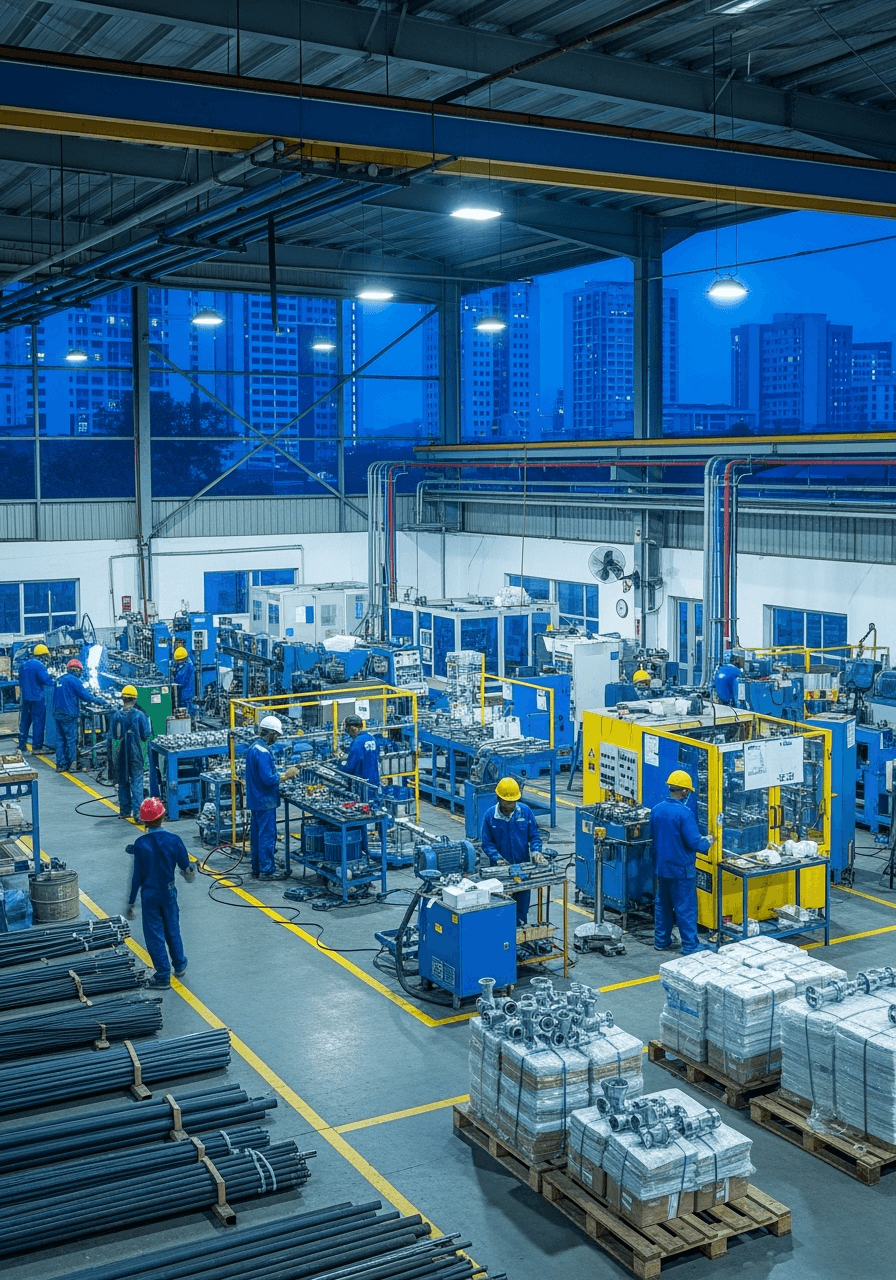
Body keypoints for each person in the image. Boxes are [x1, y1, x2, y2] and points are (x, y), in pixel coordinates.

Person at [125, 796, 194, 989]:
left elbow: (136, 876)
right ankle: (179, 965)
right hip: (168, 891)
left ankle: (163, 975)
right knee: (173, 928)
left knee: (154, 933)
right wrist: (190, 872)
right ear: (162, 817)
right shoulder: (174, 840)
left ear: (144, 821)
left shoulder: (140, 844)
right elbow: (185, 867)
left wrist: (131, 901)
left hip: (149, 895)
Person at [651, 769, 713, 956]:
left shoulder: (657, 810)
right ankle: (690, 946)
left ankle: (661, 941)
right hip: (681, 869)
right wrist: (709, 841)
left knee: (663, 904)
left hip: (662, 867)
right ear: (684, 791)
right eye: (688, 792)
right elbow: (694, 842)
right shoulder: (684, 814)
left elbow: (653, 837)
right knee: (685, 907)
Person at [481, 777, 546, 926]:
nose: (510, 804)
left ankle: (520, 937)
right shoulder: (490, 817)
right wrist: (496, 857)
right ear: (498, 797)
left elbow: (534, 835)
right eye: (506, 801)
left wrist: (536, 852)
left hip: (523, 870)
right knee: (500, 908)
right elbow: (487, 843)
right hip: (500, 873)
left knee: (521, 909)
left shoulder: (525, 812)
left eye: (513, 801)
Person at [245, 714, 298, 880]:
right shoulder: (263, 753)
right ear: (270, 733)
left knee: (256, 836)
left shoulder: (253, 748)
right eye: (276, 735)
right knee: (267, 836)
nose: (276, 739)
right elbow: (268, 779)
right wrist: (286, 776)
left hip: (255, 799)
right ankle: (267, 870)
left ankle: (256, 868)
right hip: (265, 801)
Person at [52, 659, 105, 774]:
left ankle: (60, 765)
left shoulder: (59, 679)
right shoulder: (74, 680)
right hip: (68, 714)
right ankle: (72, 764)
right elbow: (85, 695)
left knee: (60, 739)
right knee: (71, 739)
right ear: (76, 670)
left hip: (57, 713)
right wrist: (100, 701)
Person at [110, 685, 152, 820]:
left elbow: (112, 736)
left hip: (120, 753)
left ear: (122, 699)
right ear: (135, 699)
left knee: (122, 781)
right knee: (137, 782)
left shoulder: (116, 715)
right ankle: (139, 816)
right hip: (135, 753)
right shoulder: (140, 715)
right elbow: (145, 735)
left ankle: (125, 811)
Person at [17, 643, 53, 753]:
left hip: (26, 698)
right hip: (37, 699)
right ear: (42, 655)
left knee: (25, 721)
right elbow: (47, 681)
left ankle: (22, 744)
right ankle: (37, 747)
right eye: (45, 657)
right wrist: (52, 679)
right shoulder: (39, 665)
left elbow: (20, 680)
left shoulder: (24, 665)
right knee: (38, 722)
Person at [342, 714, 380, 786]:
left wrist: (340, 769)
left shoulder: (357, 742)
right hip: (374, 780)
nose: (348, 734)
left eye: (347, 730)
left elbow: (351, 766)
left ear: (352, 728)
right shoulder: (372, 738)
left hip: (362, 783)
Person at [172, 646, 196, 718]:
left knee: (186, 711)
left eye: (179, 660)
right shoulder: (182, 664)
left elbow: (180, 680)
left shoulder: (187, 666)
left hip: (186, 693)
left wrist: (173, 674)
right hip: (184, 693)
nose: (178, 662)